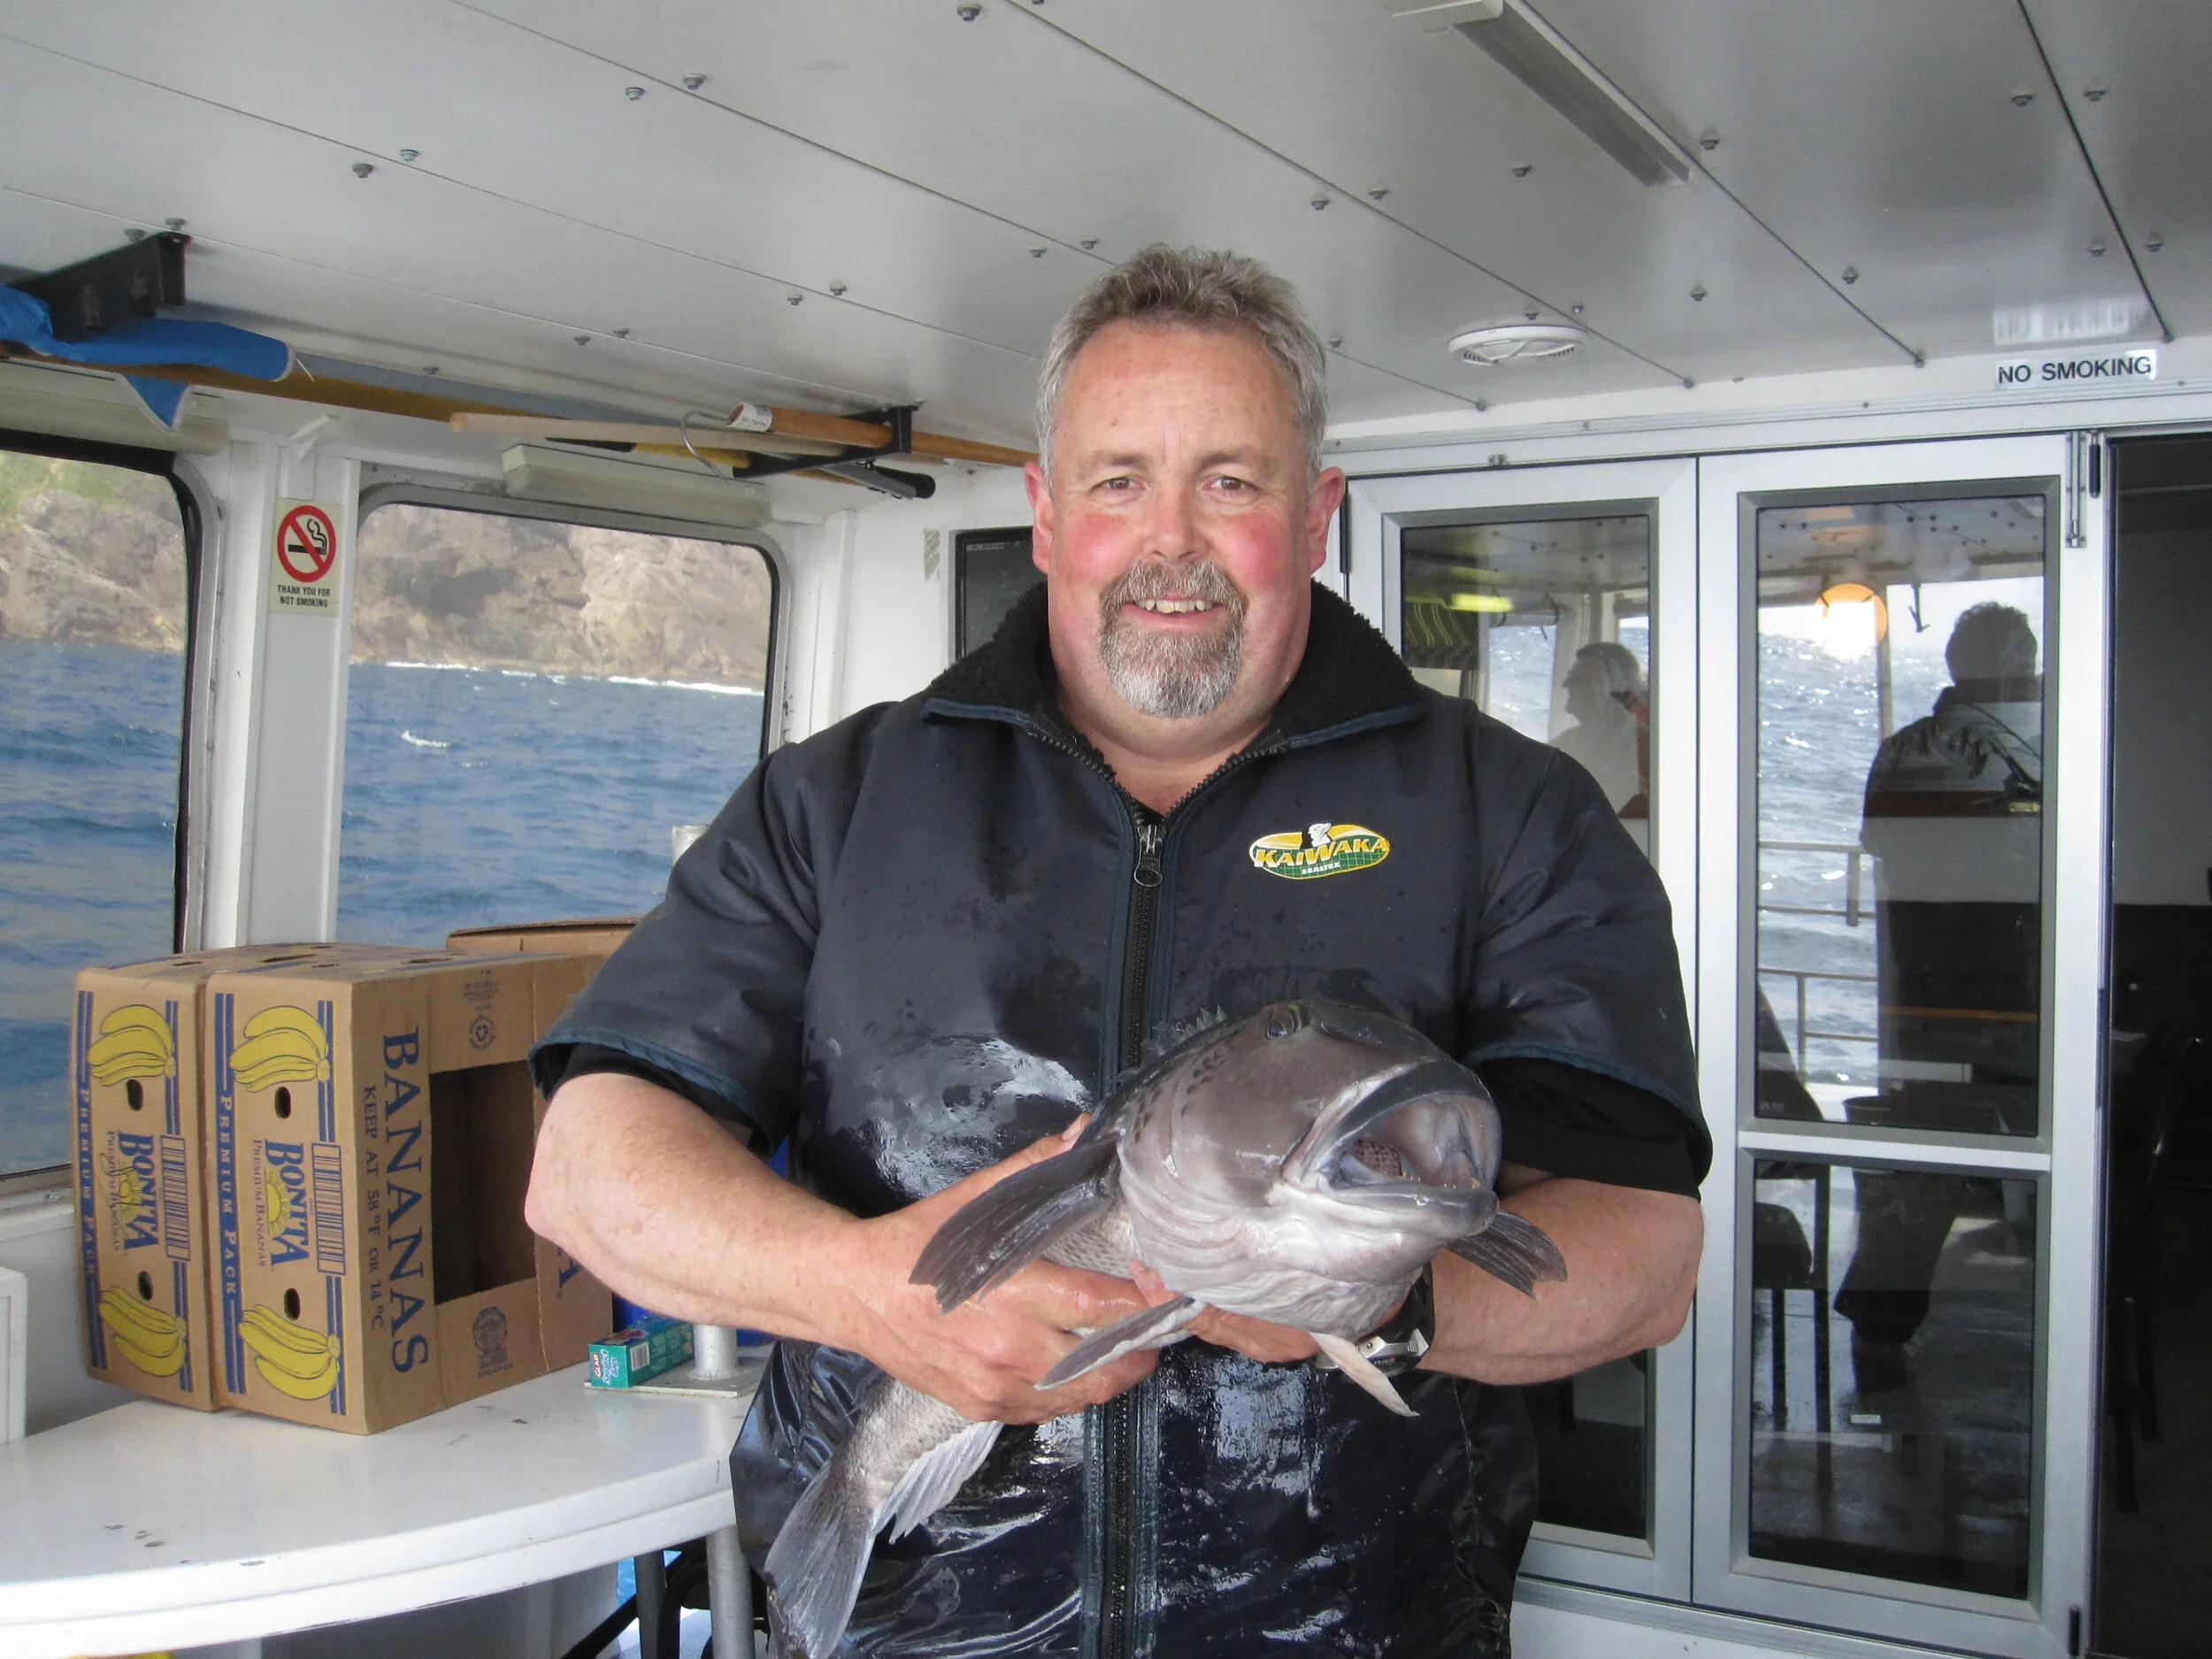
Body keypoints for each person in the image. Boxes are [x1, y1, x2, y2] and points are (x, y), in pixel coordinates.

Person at [525, 246, 1708, 1657]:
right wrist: (872, 1295)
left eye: (1232, 480)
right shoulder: (834, 803)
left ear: (1316, 512)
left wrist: (1391, 1302)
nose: (1172, 542)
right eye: (1118, 479)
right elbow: (587, 1163)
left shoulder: (1507, 810)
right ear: (1042, 514)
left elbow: (1649, 1249)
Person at [1836, 601, 2042, 1386]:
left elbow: (1885, 853)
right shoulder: (2053, 741)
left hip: (1920, 999)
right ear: (2022, 666)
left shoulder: (1902, 751)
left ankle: (1883, 1321)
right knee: (2045, 1158)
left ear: (1955, 668)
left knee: (1918, 1172)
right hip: (2028, 1001)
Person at [1552, 641, 1647, 816]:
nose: (1567, 684)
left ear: (1614, 689)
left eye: (1580, 680)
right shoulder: (1567, 742)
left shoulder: (1644, 748)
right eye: (1571, 677)